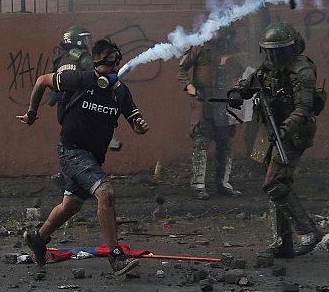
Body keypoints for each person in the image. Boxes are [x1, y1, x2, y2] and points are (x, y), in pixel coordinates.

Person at [17, 38, 149, 276]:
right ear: (96, 65)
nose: (114, 71)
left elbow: (135, 124)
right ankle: (116, 255)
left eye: (117, 65)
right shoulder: (79, 79)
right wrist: (31, 113)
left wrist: (140, 126)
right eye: (109, 66)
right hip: (71, 151)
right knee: (106, 193)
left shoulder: (120, 92)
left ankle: (38, 238)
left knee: (71, 206)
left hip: (93, 157)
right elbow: (41, 81)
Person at [227, 22, 324, 258]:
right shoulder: (268, 67)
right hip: (268, 129)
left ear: (290, 48)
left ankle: (308, 230)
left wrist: (285, 129)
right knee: (278, 188)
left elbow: (304, 108)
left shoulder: (301, 71)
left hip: (293, 133)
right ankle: (283, 243)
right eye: (269, 50)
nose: (272, 55)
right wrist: (236, 93)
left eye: (277, 50)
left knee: (274, 183)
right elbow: (248, 84)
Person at [178, 28, 243, 200]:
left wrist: (237, 86)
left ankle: (223, 183)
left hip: (225, 101)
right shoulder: (198, 47)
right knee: (201, 141)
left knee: (226, 143)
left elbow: (241, 70)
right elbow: (181, 70)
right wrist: (190, 87)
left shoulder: (231, 47)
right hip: (204, 101)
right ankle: (198, 185)